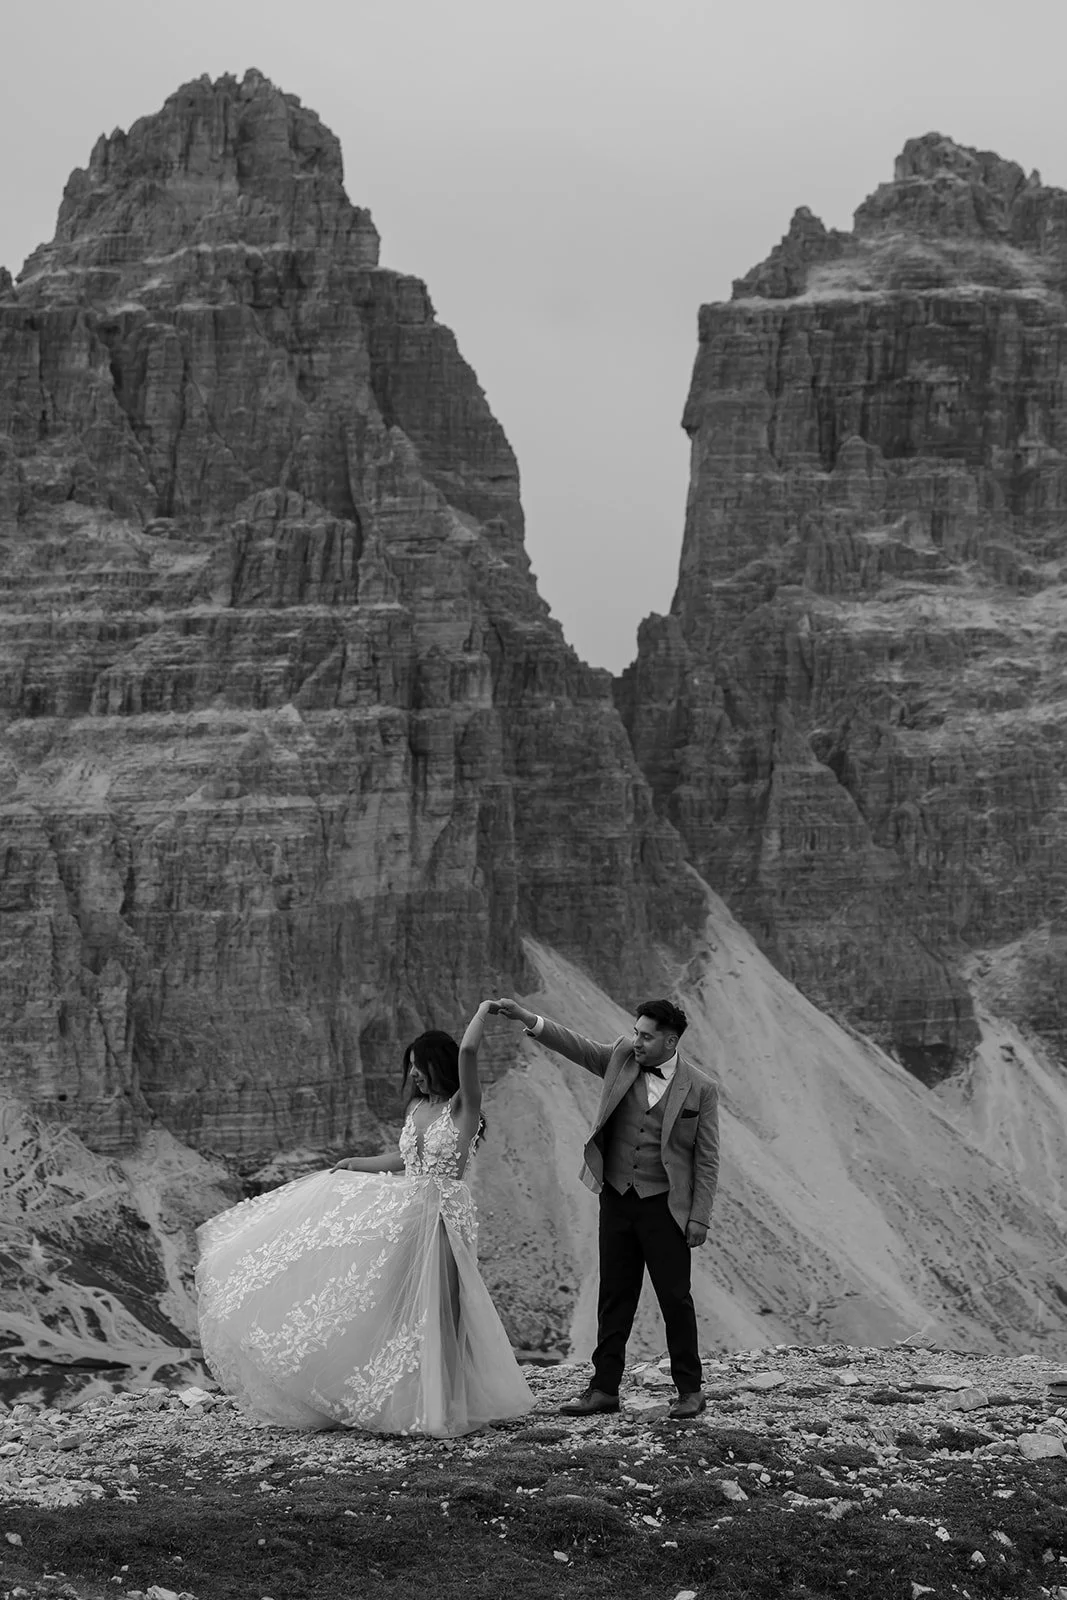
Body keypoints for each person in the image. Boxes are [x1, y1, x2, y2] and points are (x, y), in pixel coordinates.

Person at [195, 1001, 532, 1436]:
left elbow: (468, 1052)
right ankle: (408, 1398)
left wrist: (485, 1011)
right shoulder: (416, 1109)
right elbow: (406, 1160)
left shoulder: (463, 1107)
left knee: (444, 1310)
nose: (413, 1074)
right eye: (411, 1066)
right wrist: (358, 1164)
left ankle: (447, 1404)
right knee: (400, 1308)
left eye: (420, 1066)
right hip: (409, 1215)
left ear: (439, 1065)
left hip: (445, 1218)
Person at [494, 996, 718, 1420]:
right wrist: (528, 1018)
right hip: (616, 1198)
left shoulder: (701, 1088)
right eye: (636, 1032)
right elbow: (576, 1046)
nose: (637, 1041)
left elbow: (707, 1159)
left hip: (665, 1207)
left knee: (675, 1299)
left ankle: (690, 1390)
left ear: (670, 1042)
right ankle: (603, 1389)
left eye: (646, 1036)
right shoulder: (621, 1056)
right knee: (615, 1296)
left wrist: (699, 1217)